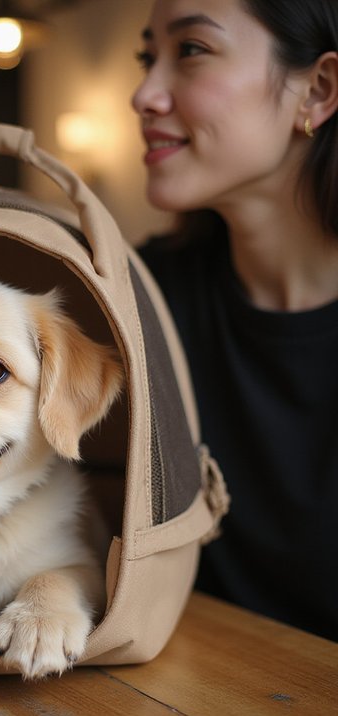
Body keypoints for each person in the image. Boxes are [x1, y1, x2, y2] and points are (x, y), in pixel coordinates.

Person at [131, 0, 338, 641]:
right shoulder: (145, 293)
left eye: (190, 50)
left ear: (319, 90)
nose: (143, 93)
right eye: (148, 57)